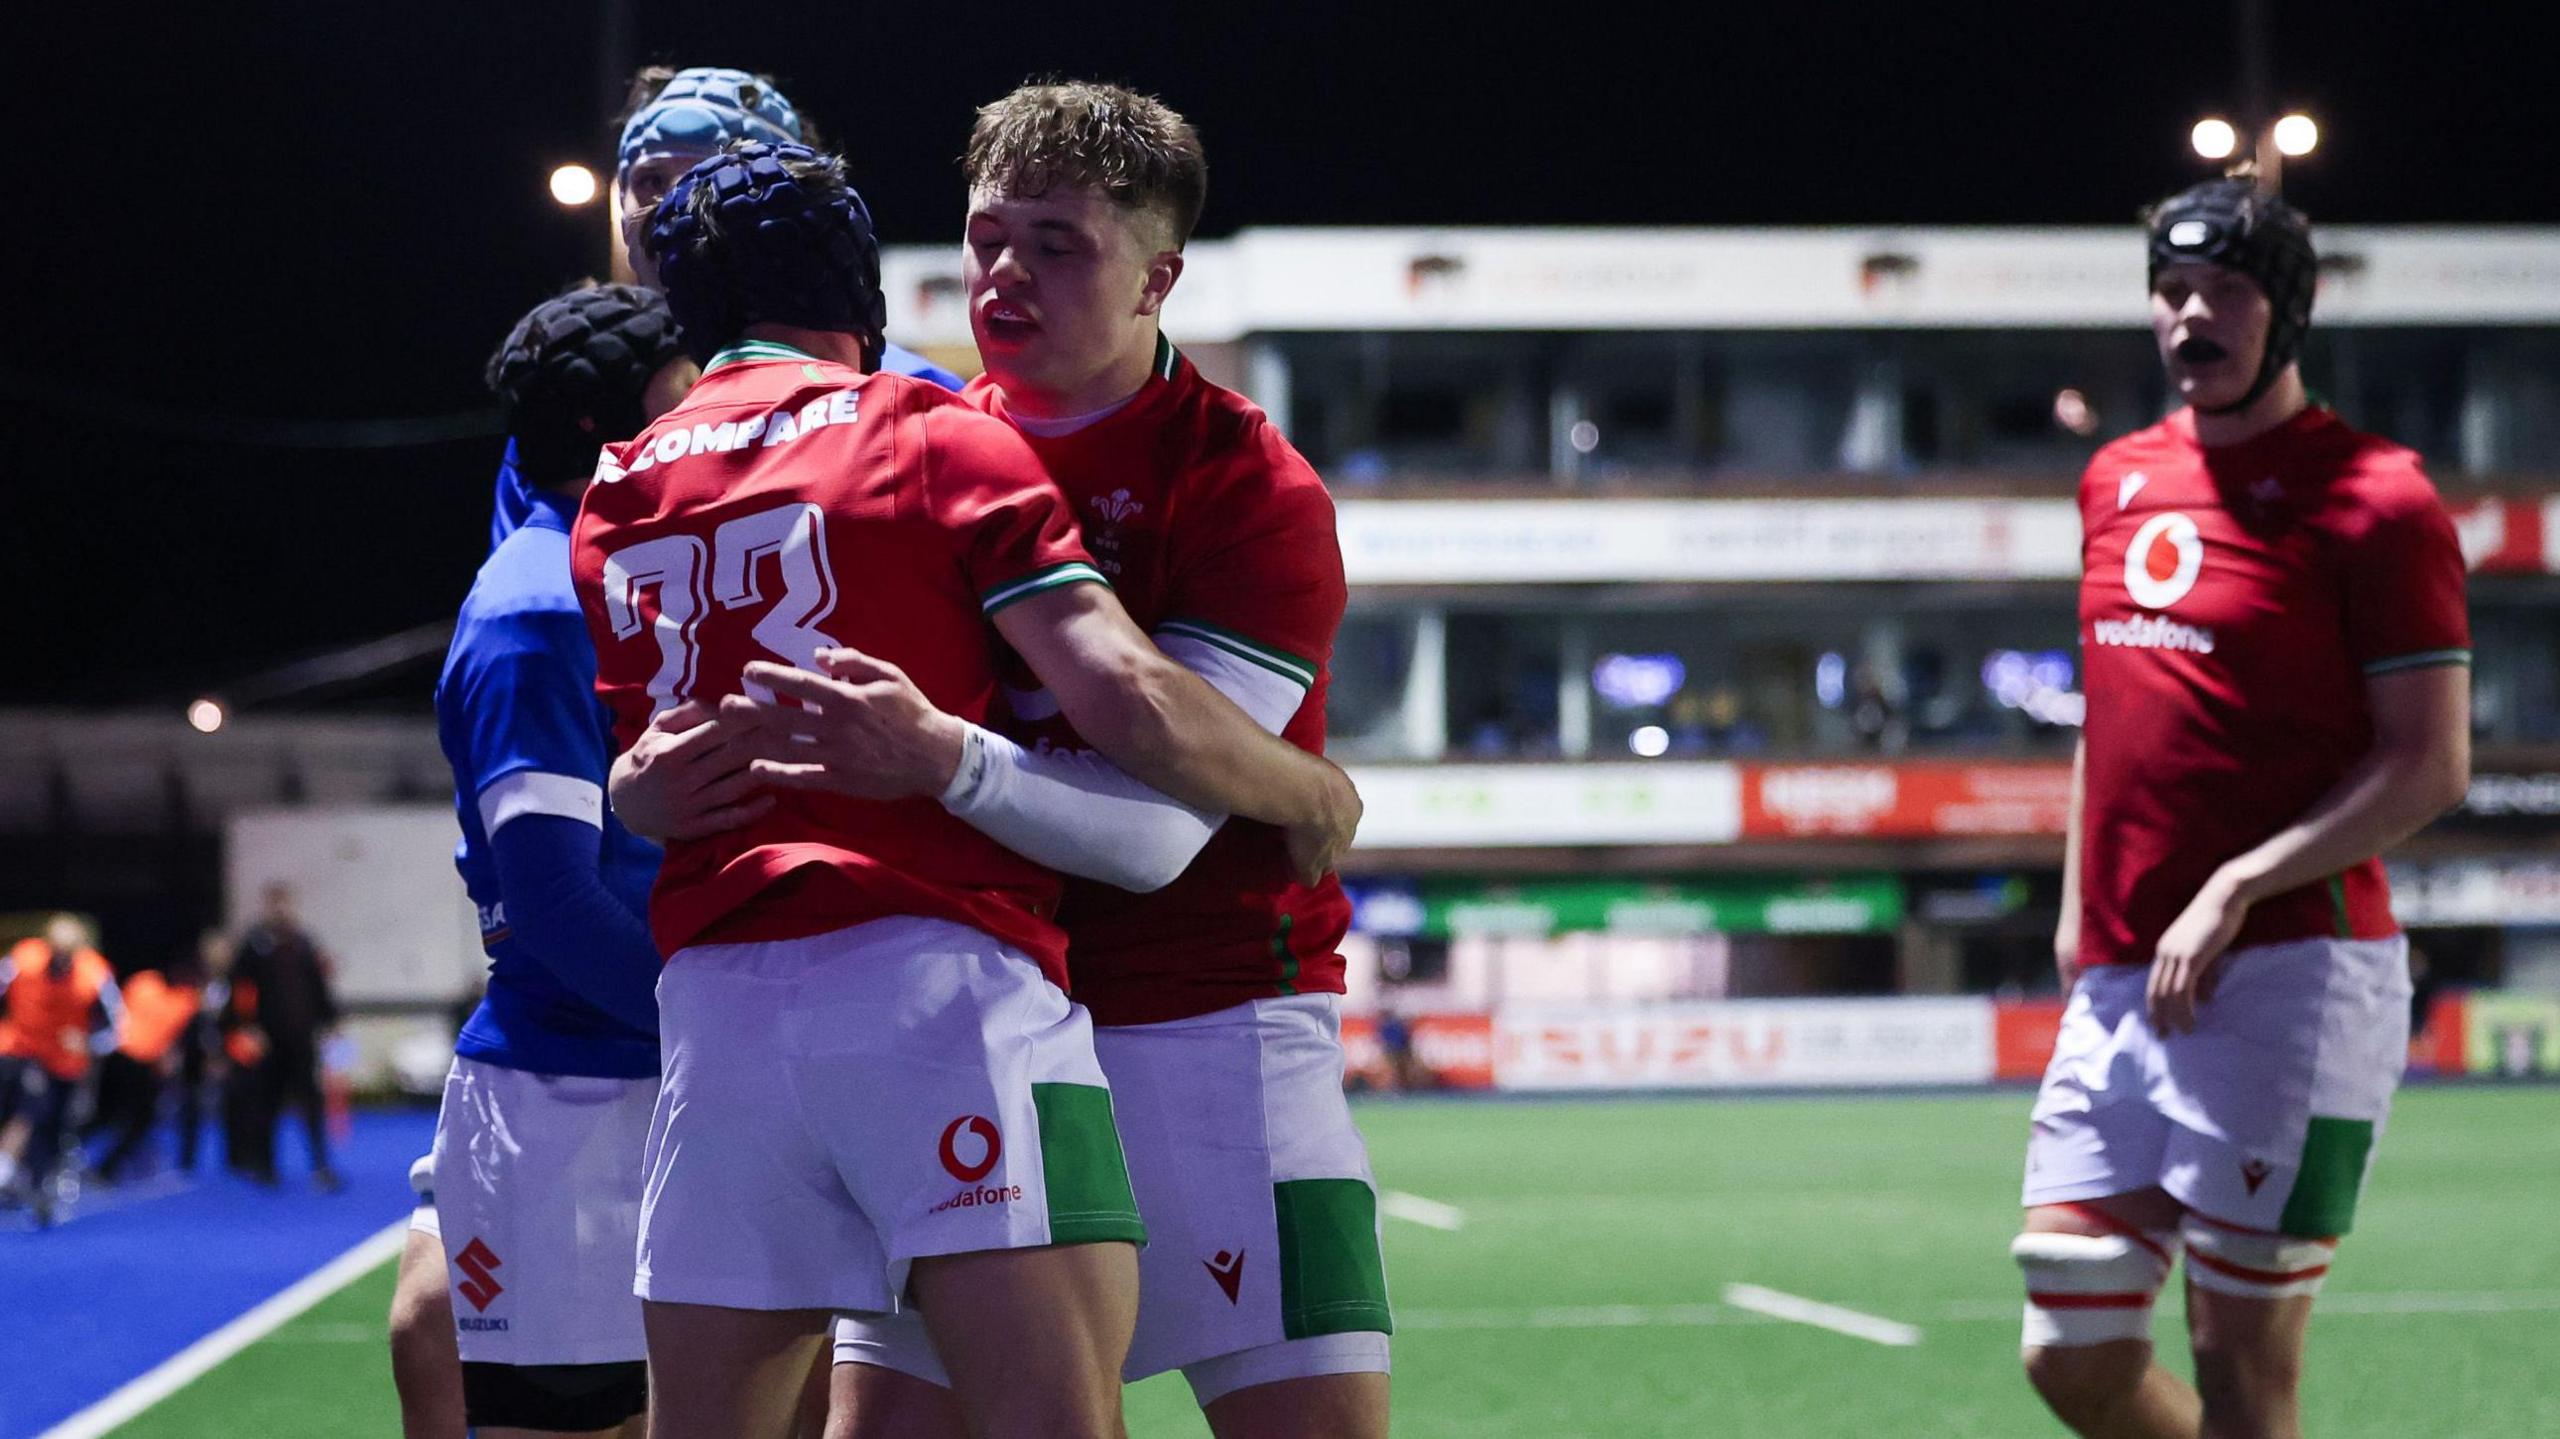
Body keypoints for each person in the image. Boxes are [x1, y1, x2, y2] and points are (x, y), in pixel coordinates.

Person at [628, 83, 1394, 1439]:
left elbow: (1162, 836)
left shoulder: (1247, 487)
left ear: (1158, 274)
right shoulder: (906, 430)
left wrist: (947, 762)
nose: (1004, 275)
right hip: (972, 1023)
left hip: (1209, 1023)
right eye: (986, 238)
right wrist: (638, 784)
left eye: (1057, 244)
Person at [2014, 175, 2472, 1439]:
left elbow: (2429, 765)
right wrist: (2075, 911)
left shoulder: (2378, 499)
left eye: (2223, 291)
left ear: (2288, 311)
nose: (2189, 319)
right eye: (2169, 292)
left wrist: (2236, 884)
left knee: (2241, 1375)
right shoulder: (2114, 478)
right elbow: (2110, 718)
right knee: (2069, 1335)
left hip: (2294, 972)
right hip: (2120, 973)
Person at [389, 284, 698, 1439]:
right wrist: (721, 1018)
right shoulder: (539, 607)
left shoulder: (603, 563)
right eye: (681, 397)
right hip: (574, 1090)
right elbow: (557, 899)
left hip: (636, 1069)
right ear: (609, 435)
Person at [0, 915, 123, 1221]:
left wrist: (87, 1041)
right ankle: (6, 1174)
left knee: (51, 1130)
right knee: (27, 1111)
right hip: (18, 1051)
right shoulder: (22, 958)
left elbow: (115, 1029)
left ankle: (36, 1183)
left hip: (63, 1063)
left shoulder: (95, 974)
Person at [226, 883, 344, 1190]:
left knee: (311, 1102)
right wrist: (247, 1026)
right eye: (275, 903)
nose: (280, 909)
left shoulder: (303, 942)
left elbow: (318, 985)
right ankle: (265, 1166)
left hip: (301, 1037)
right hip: (268, 1039)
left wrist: (330, 1021)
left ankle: (320, 1165)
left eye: (285, 903)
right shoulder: (254, 944)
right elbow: (239, 988)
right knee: (266, 1102)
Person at [86, 954, 203, 1183]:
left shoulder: (173, 994)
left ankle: (103, 1166)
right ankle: (90, 1164)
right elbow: (116, 1014)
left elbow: (178, 1039)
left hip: (135, 1063)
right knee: (118, 1115)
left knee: (127, 1117)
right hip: (126, 1059)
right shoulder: (150, 985)